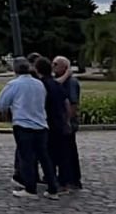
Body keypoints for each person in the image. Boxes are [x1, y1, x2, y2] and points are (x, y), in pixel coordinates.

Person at [0, 57, 59, 199]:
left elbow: (2, 104)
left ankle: (30, 188)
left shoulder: (14, 84)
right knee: (44, 157)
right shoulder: (39, 84)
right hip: (41, 124)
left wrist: (2, 114)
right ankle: (53, 188)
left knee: (26, 158)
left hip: (23, 124)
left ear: (15, 69)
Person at [36, 57, 72, 194]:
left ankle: (54, 182)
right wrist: (67, 121)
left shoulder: (41, 85)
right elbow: (66, 103)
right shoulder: (56, 84)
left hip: (46, 123)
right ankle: (63, 183)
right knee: (61, 154)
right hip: (59, 122)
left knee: (48, 155)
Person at [53, 56, 83, 190]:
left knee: (68, 151)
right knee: (63, 150)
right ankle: (67, 177)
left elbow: (72, 103)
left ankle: (72, 179)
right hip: (62, 121)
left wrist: (68, 121)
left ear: (64, 67)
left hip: (67, 122)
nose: (53, 66)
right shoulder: (61, 81)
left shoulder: (71, 82)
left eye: (56, 64)